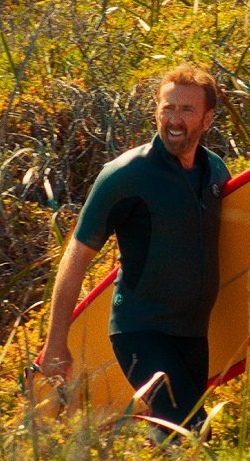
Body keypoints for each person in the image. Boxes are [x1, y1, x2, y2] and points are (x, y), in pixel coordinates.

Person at [38, 64, 229, 434]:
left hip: (194, 333)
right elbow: (75, 258)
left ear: (207, 119)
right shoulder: (126, 175)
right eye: (167, 108)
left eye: (187, 110)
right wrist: (56, 344)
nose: (174, 120)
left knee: (170, 435)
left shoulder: (216, 172)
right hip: (141, 330)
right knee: (192, 429)